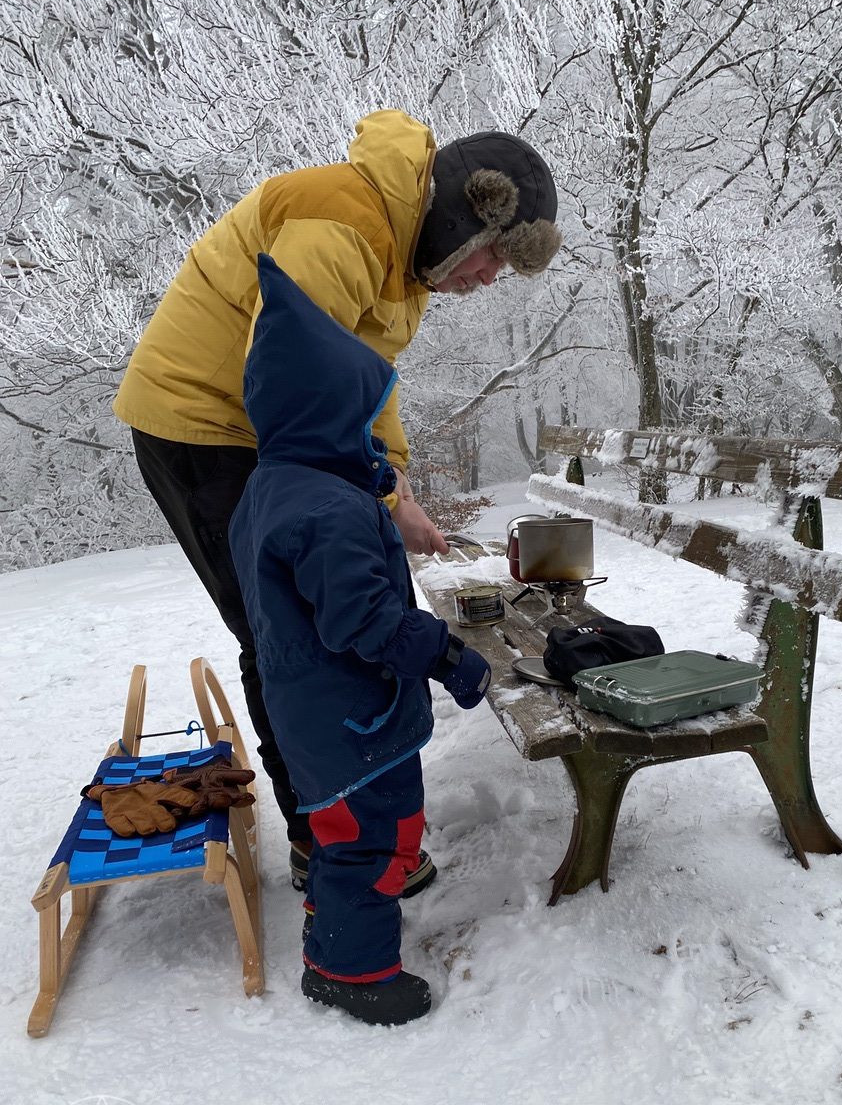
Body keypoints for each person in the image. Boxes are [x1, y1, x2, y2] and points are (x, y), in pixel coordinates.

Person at [112, 108, 561, 893]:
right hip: (203, 425)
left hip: (261, 428)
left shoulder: (402, 261)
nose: (489, 279)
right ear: (463, 221)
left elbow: (363, 380)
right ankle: (324, 838)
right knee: (282, 630)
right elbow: (299, 384)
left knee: (317, 612)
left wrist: (397, 489)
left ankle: (349, 817)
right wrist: (377, 490)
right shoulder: (342, 224)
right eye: (494, 256)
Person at [229, 253, 492, 1024]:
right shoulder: (329, 511)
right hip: (355, 721)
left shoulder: (271, 487)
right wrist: (444, 654)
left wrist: (373, 487)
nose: (371, 432)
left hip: (315, 711)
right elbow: (363, 621)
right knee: (368, 838)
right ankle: (349, 970)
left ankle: (337, 919)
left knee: (349, 830)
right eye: (362, 415)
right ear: (329, 412)